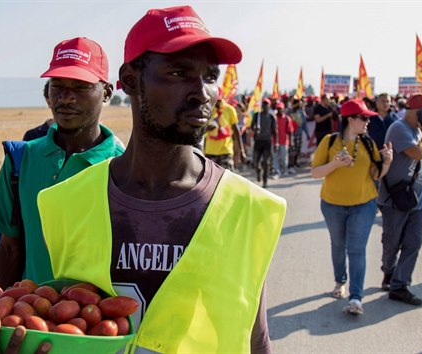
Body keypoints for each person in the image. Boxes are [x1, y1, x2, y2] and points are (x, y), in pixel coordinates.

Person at [37, 6, 286, 353]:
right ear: (130, 80)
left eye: (211, 76)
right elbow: (52, 326)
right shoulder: (65, 203)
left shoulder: (249, 208)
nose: (202, 92)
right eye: (178, 73)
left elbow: (254, 335)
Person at [0, 37, 125, 288]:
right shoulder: (21, 161)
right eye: (57, 85)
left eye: (80, 87)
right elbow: (9, 248)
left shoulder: (122, 166)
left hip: (96, 322)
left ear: (106, 93)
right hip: (32, 320)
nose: (66, 98)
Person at [311, 99, 393, 316]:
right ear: (350, 119)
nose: (368, 122)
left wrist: (386, 163)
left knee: (356, 249)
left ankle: (356, 298)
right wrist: (335, 164)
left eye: (368, 118)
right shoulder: (329, 142)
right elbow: (316, 172)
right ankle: (340, 281)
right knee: (338, 244)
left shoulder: (368, 143)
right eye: (364, 118)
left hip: (363, 205)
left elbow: (375, 175)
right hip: (332, 205)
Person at [378, 93, 422, 306]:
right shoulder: (399, 129)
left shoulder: (420, 131)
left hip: (418, 200)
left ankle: (399, 285)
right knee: (392, 242)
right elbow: (417, 153)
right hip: (396, 199)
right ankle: (389, 271)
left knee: (414, 241)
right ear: (414, 112)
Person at [204, 92, 246, 170]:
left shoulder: (229, 109)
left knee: (227, 179)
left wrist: (242, 151)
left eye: (219, 100)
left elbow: (236, 130)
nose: (217, 102)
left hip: (226, 150)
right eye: (216, 100)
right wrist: (207, 128)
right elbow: (200, 129)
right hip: (210, 151)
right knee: (211, 180)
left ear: (223, 98)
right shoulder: (208, 109)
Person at [251, 97, 277, 187]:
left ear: (269, 106)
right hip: (258, 141)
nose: (265, 106)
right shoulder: (257, 115)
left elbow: (274, 131)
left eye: (267, 104)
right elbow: (251, 126)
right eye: (264, 104)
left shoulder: (271, 117)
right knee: (255, 161)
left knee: (266, 162)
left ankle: (265, 180)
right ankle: (258, 171)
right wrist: (255, 129)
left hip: (267, 142)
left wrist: (276, 143)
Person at [273, 101, 294, 177]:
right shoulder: (274, 118)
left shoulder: (287, 119)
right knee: (275, 157)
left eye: (280, 109)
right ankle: (276, 171)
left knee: (284, 157)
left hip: (284, 141)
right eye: (278, 108)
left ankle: (284, 170)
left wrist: (291, 142)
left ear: (283, 109)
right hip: (274, 141)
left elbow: (290, 131)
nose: (279, 110)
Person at [289, 98, 310, 170]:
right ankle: (290, 164)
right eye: (299, 104)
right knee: (292, 150)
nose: (300, 105)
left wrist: (307, 134)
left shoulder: (301, 113)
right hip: (291, 135)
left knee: (297, 149)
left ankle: (295, 162)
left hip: (299, 134)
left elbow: (304, 124)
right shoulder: (289, 112)